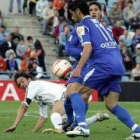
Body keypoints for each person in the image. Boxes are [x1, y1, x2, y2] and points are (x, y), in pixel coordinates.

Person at [64, 0, 140, 139]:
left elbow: (88, 48)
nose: (72, 17)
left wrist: (78, 68)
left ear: (77, 11)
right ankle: (137, 131)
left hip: (103, 65)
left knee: (73, 91)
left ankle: (82, 127)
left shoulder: (82, 26)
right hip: (117, 65)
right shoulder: (103, 25)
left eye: (72, 14)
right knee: (111, 104)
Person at [5, 71, 109, 133]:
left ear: (28, 79)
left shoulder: (32, 85)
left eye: (22, 81)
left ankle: (59, 129)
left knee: (55, 114)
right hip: (64, 97)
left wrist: (14, 125)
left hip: (63, 95)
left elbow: (23, 106)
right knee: (72, 126)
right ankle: (97, 117)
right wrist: (32, 133)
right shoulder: (38, 96)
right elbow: (43, 117)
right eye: (19, 84)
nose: (22, 85)